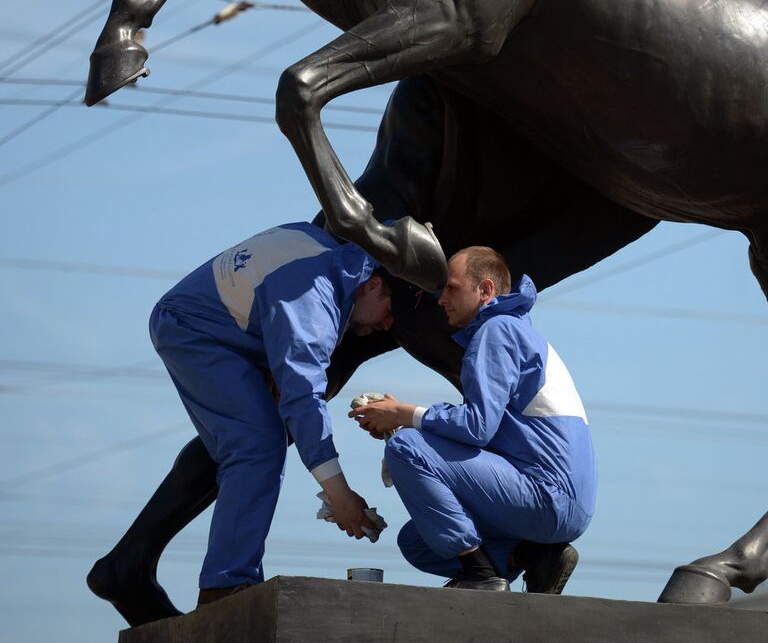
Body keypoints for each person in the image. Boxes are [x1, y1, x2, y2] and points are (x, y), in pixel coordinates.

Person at [144, 220, 394, 606]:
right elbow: (303, 398)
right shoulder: (314, 296)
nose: (386, 325)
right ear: (374, 283)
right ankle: (225, 585)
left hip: (208, 323)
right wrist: (339, 494)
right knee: (257, 444)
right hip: (192, 328)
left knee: (257, 443)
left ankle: (234, 576)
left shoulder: (321, 252)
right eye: (390, 311)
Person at [349, 246, 597, 593]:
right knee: (418, 541)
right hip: (557, 502)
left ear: (485, 290)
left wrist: (406, 415)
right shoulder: (514, 331)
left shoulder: (496, 331)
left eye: (451, 288)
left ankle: (481, 575)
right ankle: (531, 557)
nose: (441, 300)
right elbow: (487, 432)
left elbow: (477, 427)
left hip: (547, 496)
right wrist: (405, 419)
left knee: (408, 447)